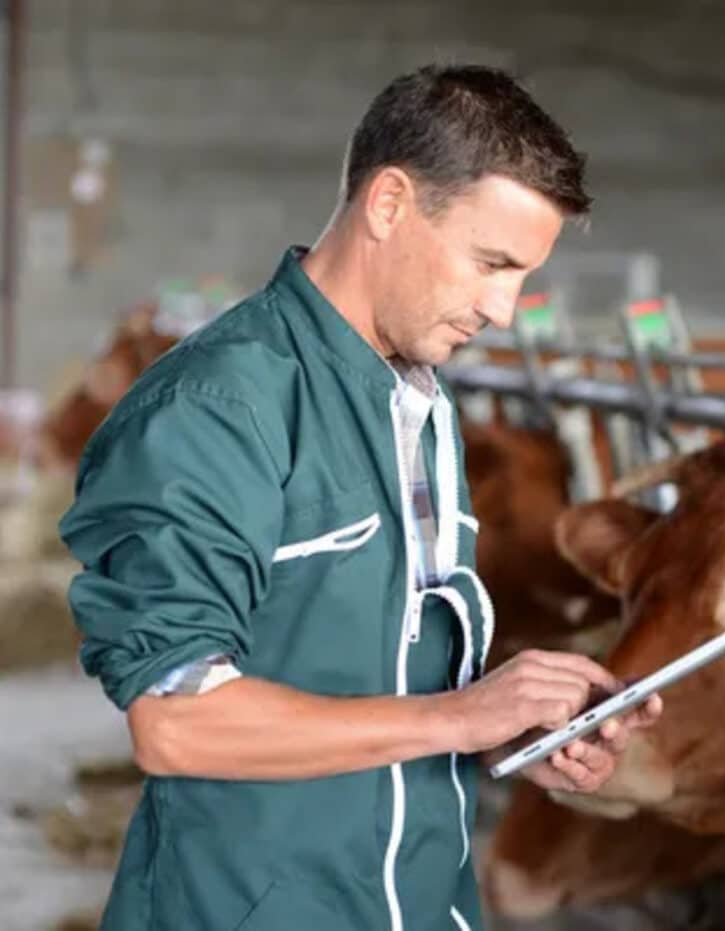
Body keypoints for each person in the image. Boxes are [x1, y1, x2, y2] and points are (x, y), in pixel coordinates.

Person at [59, 64, 661, 931]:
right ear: (389, 204)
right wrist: (458, 716)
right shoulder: (217, 408)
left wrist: (518, 726)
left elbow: (383, 681)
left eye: (522, 276)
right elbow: (177, 723)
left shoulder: (421, 407)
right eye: (491, 263)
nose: (504, 309)